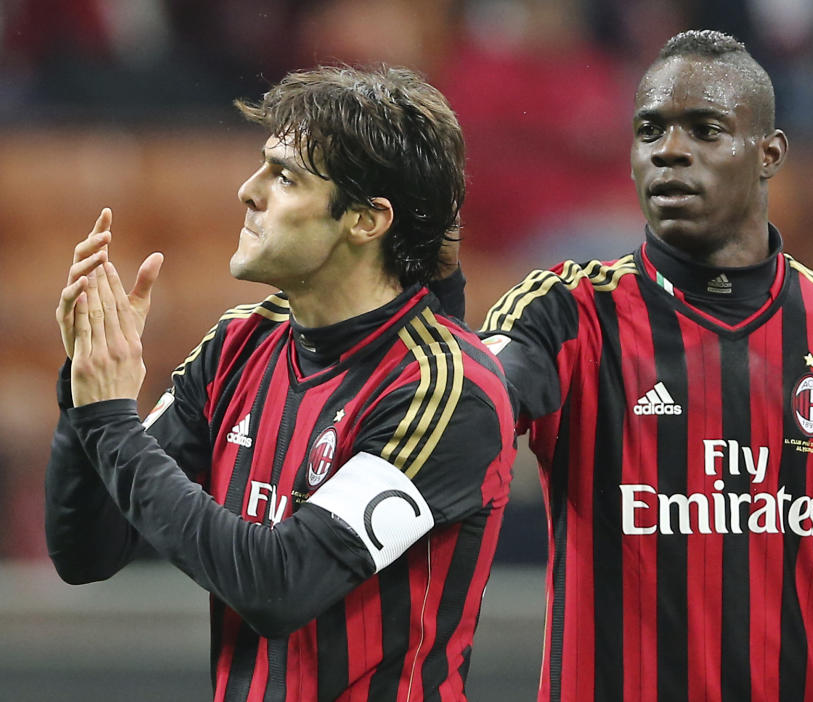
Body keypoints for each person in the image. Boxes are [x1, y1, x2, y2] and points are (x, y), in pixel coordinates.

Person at [456, 30, 813, 701]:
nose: (670, 151)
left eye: (705, 129)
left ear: (770, 154)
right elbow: (480, 392)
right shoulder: (566, 313)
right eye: (650, 130)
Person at [46, 65, 515, 702]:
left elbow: (278, 585)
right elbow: (88, 552)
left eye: (285, 175)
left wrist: (108, 421)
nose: (247, 190)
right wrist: (86, 392)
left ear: (366, 220)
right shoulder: (241, 343)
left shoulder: (446, 389)